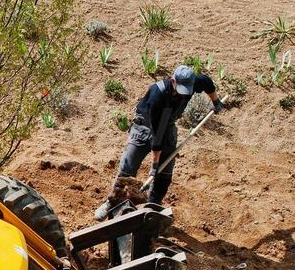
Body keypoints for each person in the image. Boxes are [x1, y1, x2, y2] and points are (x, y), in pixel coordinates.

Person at [94, 64, 223, 219]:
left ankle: (153, 205)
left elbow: (207, 82)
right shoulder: (158, 94)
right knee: (128, 166)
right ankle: (112, 203)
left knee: (164, 172)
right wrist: (154, 165)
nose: (183, 94)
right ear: (174, 81)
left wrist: (216, 101)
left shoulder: (193, 81)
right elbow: (157, 135)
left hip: (167, 127)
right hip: (144, 128)